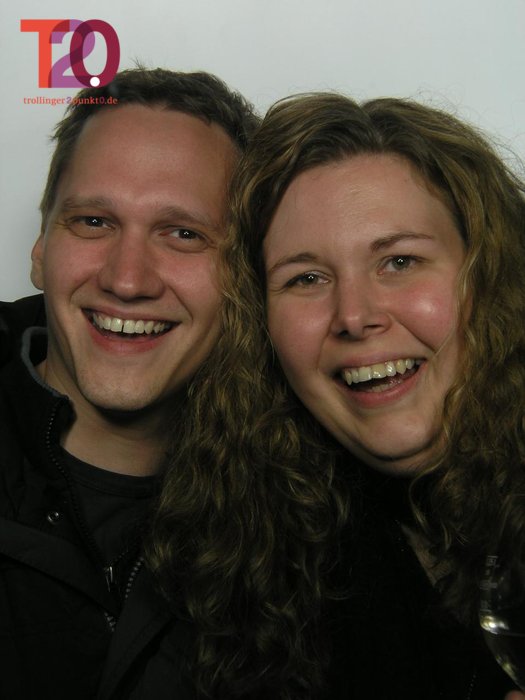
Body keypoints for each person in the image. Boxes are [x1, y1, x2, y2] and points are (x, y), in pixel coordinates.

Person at [164, 92, 525, 698]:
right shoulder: (246, 553)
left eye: (400, 261)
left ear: (489, 277)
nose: (354, 316)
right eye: (306, 278)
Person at [0, 67, 263, 700]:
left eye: (184, 234)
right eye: (93, 221)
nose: (126, 279)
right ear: (40, 249)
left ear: (246, 276)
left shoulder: (306, 514)